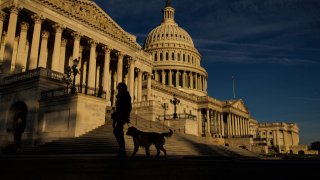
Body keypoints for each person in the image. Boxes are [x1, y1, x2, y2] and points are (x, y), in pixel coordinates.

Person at [112, 82, 132, 157]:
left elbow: (129, 107)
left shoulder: (126, 95)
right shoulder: (119, 96)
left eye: (120, 88)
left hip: (123, 116)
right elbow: (117, 109)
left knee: (117, 131)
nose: (118, 89)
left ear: (123, 88)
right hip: (118, 116)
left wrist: (126, 116)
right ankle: (122, 149)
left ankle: (122, 149)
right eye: (118, 88)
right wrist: (114, 120)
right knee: (117, 131)